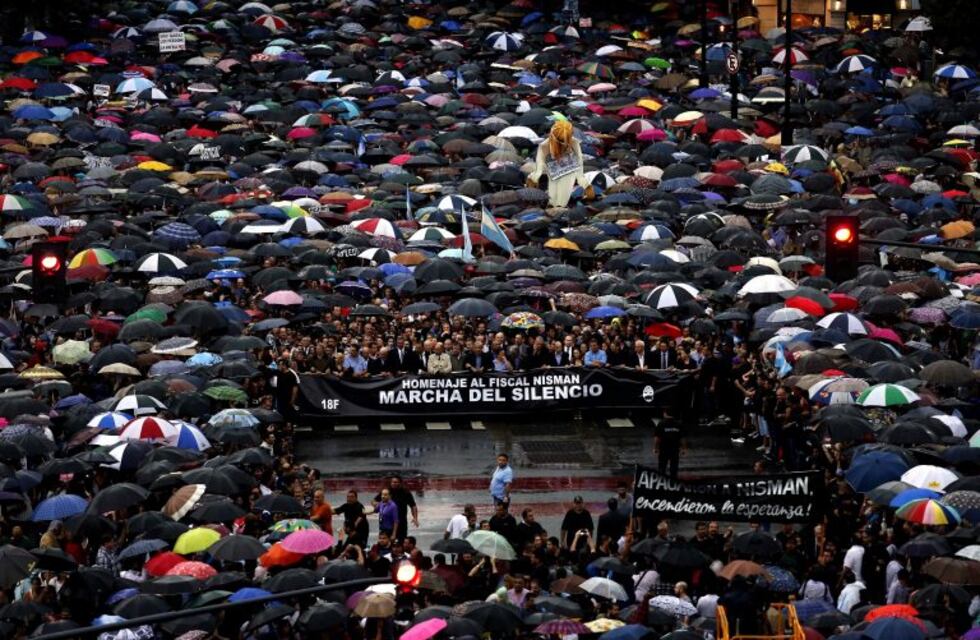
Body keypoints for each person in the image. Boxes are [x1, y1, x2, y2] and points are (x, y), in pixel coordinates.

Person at [526, 119, 591, 208]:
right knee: (553, 200)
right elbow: (539, 167)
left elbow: (579, 165)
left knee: (562, 201)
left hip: (568, 173)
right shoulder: (544, 146)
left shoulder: (574, 142)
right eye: (561, 140)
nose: (564, 143)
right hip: (552, 173)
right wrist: (534, 178)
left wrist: (585, 185)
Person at [373, 475, 418, 542]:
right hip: (387, 522)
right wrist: (378, 505)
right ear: (390, 483)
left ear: (400, 483)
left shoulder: (405, 492)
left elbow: (413, 506)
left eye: (396, 482)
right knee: (386, 541)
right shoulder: (386, 492)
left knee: (401, 541)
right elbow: (374, 501)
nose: (394, 484)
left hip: (401, 521)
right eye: (393, 482)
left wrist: (415, 518)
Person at [654, 409, 685, 479]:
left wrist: (656, 448)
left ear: (665, 413)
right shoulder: (678, 424)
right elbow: (682, 438)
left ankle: (661, 482)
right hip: (675, 449)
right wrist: (683, 448)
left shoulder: (661, 423)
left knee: (662, 468)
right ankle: (673, 483)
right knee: (674, 468)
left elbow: (657, 438)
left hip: (664, 449)